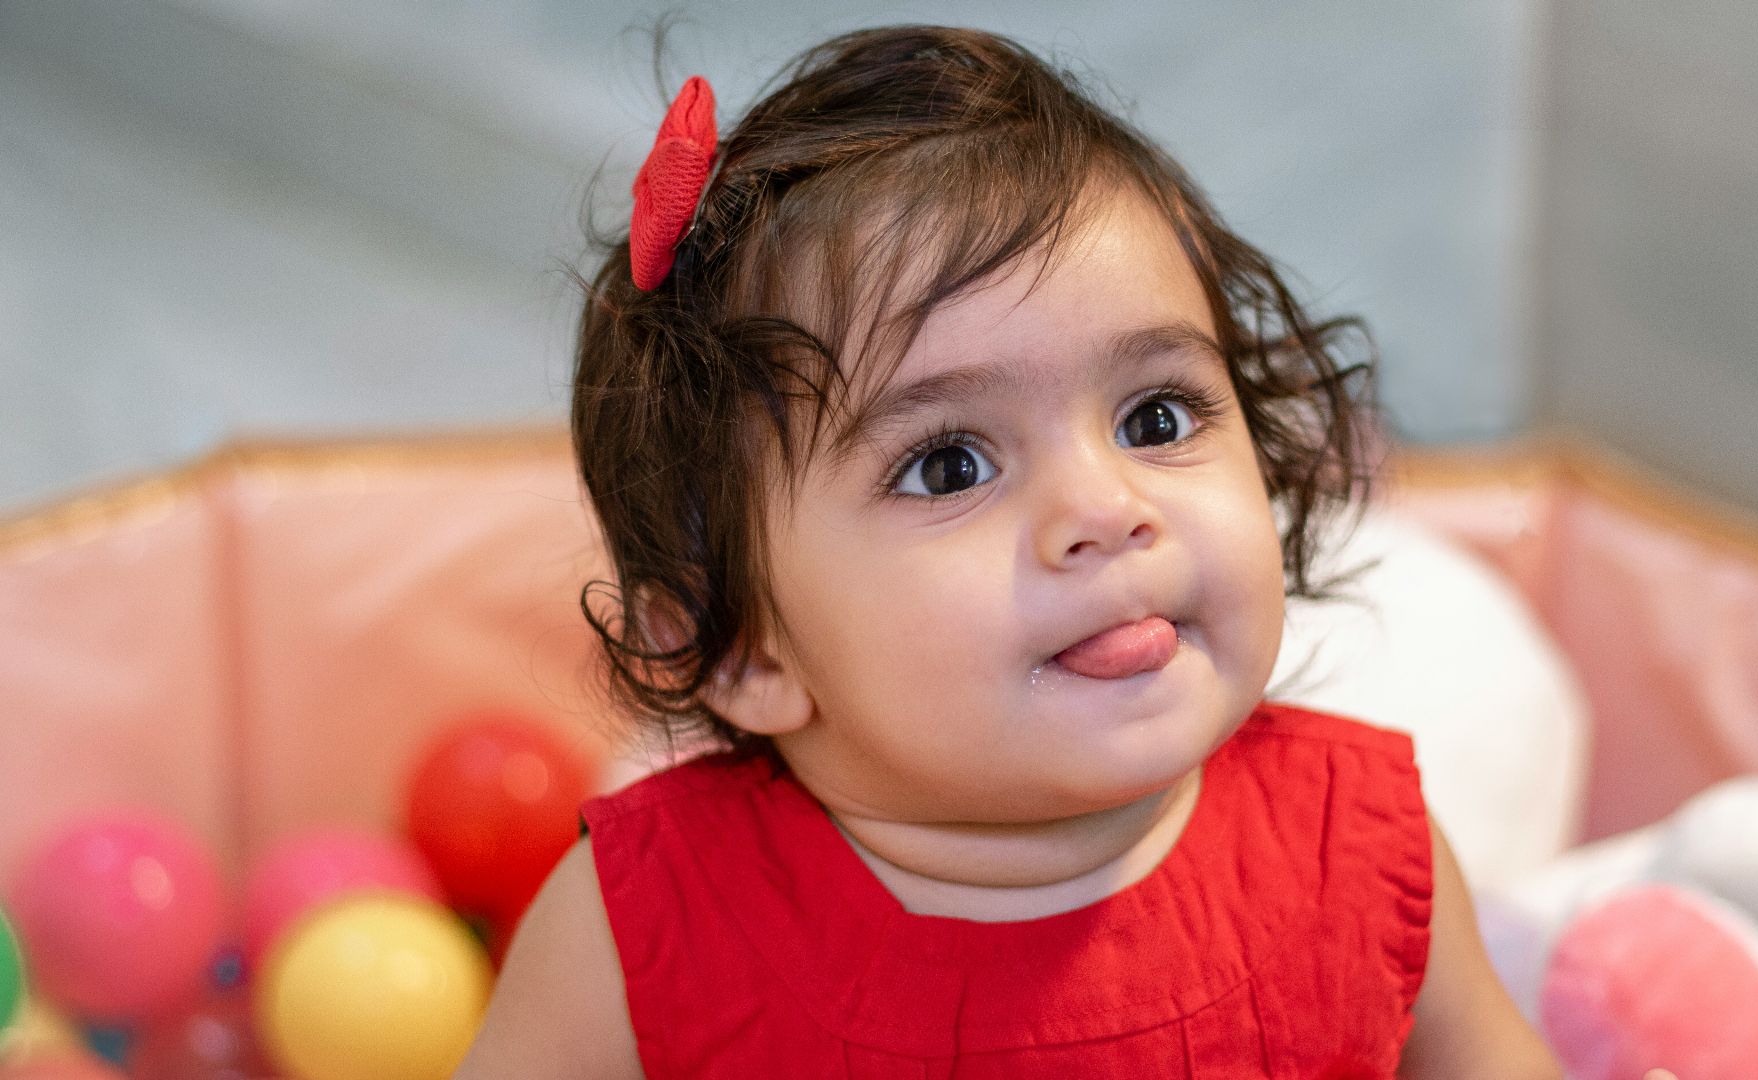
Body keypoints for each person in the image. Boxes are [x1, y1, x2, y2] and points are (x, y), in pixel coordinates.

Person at [459, 25, 1564, 1078]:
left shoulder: (1360, 853)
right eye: (950, 465)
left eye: (1157, 419)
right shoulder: (639, 935)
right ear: (741, 645)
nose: (1106, 505)